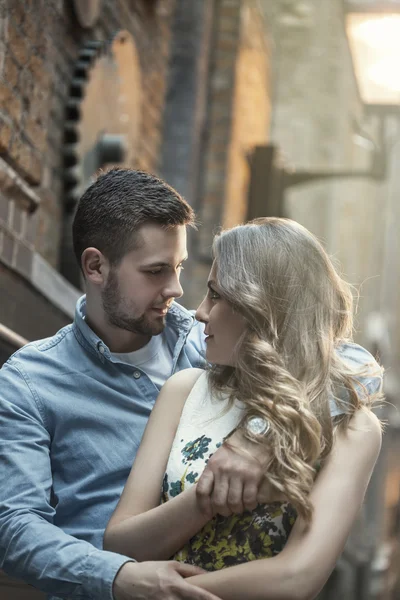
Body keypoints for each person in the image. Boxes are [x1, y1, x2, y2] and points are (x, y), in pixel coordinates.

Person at [0, 170, 381, 600]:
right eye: (156, 271)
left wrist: (255, 438)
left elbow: (340, 359)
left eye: (179, 267)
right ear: (95, 266)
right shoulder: (29, 382)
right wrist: (117, 578)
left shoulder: (211, 343)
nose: (176, 289)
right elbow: (15, 528)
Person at [104, 217, 383, 600]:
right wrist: (207, 497)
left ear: (263, 308)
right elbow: (120, 544)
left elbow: (297, 578)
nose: (200, 312)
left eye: (216, 295)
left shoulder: (351, 427)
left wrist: (160, 590)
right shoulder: (184, 391)